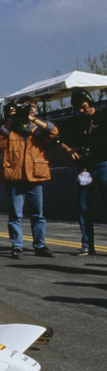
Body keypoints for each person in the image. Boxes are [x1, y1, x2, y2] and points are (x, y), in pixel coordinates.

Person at [0, 96, 62, 259]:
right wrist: (9, 120)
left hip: (34, 177)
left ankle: (40, 245)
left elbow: (54, 132)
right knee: (15, 214)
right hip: (15, 177)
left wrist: (33, 119)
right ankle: (17, 246)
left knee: (38, 214)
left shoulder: (36, 129)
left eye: (33, 107)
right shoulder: (9, 129)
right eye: (27, 107)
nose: (30, 109)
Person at [59, 88, 107, 256]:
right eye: (78, 108)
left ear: (90, 102)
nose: (81, 110)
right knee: (84, 206)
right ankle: (87, 244)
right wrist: (68, 150)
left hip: (103, 164)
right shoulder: (75, 122)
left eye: (83, 106)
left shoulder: (103, 116)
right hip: (85, 168)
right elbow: (58, 136)